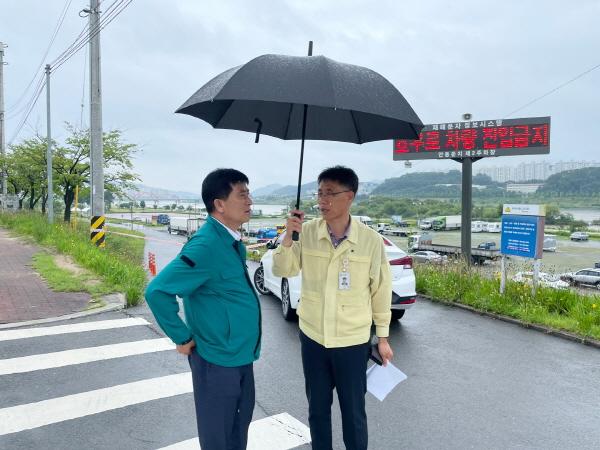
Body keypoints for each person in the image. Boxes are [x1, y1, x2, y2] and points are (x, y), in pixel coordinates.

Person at [272, 165, 393, 450]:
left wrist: (384, 338)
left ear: (349, 196)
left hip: (353, 341)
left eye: (330, 193)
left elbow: (380, 290)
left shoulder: (370, 240)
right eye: (319, 193)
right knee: (317, 410)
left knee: (353, 413)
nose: (322, 200)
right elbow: (282, 268)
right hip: (313, 337)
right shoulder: (308, 232)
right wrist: (289, 236)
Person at [145, 168, 261, 450]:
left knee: (237, 427)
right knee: (218, 436)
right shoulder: (207, 244)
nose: (250, 201)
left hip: (240, 355)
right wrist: (182, 338)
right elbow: (157, 291)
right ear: (219, 204)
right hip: (217, 359)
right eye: (242, 194)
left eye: (249, 194)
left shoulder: (230, 241)